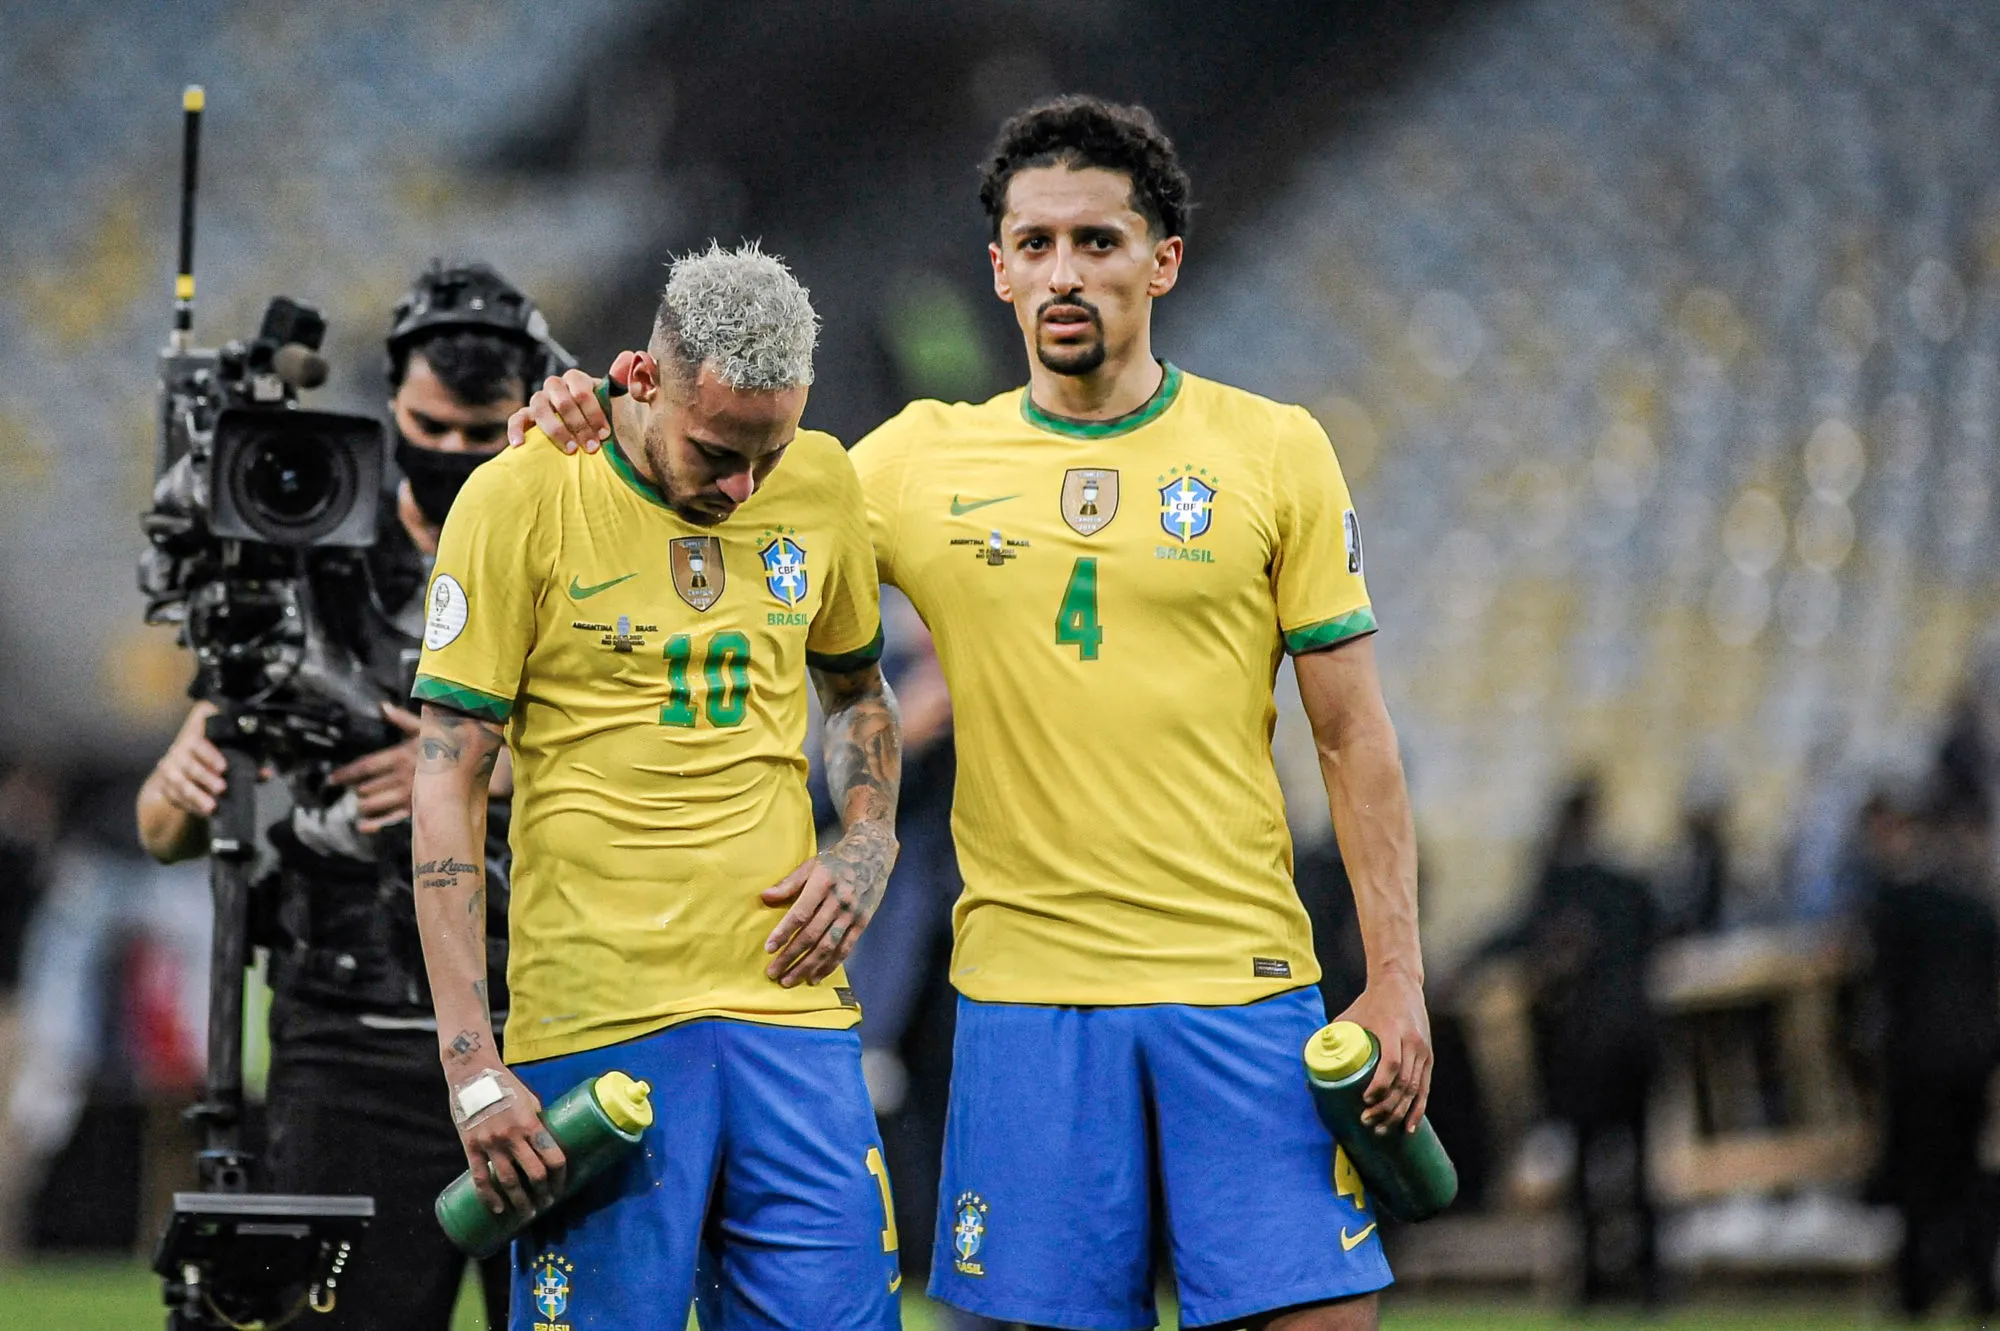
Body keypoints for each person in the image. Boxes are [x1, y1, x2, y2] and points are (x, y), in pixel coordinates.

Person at [519, 97, 1430, 1331]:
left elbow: (1350, 734)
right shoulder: (905, 463)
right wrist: (584, 418)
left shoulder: (1274, 451)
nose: (1065, 271)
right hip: (1021, 995)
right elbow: (701, 478)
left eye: (1098, 242)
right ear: (997, 267)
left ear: (1161, 259)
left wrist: (1393, 979)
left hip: (1244, 982)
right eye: (1035, 242)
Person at [409, 242, 904, 1329]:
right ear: (636, 378)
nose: (744, 486)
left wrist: (867, 839)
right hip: (596, 1023)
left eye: (767, 454)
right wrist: (472, 1066)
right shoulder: (518, 495)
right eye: (718, 449)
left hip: (793, 1012)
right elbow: (445, 780)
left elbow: (859, 692)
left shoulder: (819, 477)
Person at [134, 261, 566, 1330]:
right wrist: (182, 782)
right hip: (346, 1025)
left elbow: (651, 751)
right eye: (432, 425)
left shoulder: (573, 539)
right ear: (391, 404)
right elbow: (168, 827)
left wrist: (476, 768)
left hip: (543, 1017)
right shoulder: (313, 536)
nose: (454, 453)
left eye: (483, 433)